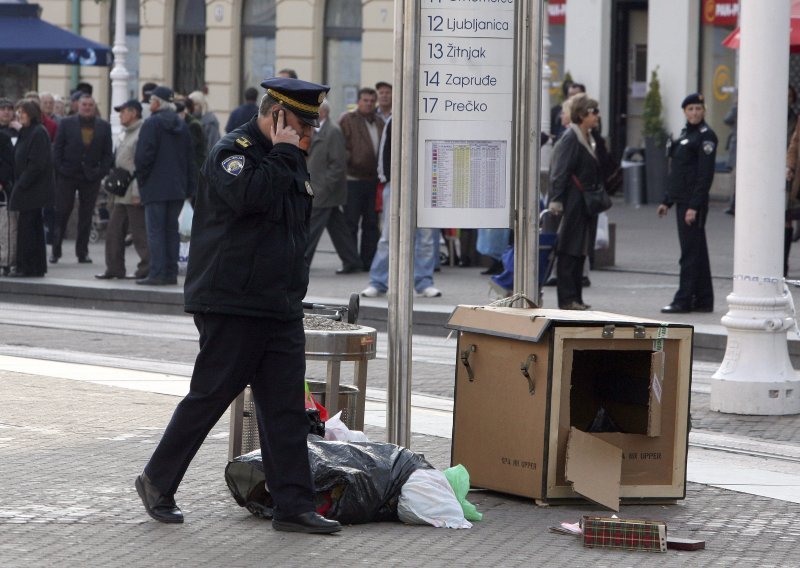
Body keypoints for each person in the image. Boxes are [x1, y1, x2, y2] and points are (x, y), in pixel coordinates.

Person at [136, 77, 341, 535]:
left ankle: (293, 505)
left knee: (285, 407)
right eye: (304, 127)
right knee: (210, 397)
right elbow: (249, 198)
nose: (311, 137)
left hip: (277, 303)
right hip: (232, 301)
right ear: (279, 117)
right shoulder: (234, 152)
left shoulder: (290, 157)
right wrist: (287, 153)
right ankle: (156, 481)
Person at [360, 116, 441, 298]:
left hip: (429, 182)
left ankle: (423, 282)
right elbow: (385, 149)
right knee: (388, 236)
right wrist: (387, 180)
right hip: (397, 183)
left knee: (427, 238)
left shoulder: (433, 117)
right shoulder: (395, 118)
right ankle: (378, 282)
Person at [657, 93, 717, 314]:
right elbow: (677, 173)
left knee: (690, 253)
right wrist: (667, 201)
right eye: (690, 109)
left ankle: (683, 300)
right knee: (697, 251)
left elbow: (704, 175)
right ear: (684, 111)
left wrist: (693, 206)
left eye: (698, 109)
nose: (694, 113)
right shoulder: (685, 135)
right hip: (682, 201)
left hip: (693, 204)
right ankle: (703, 299)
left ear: (704, 111)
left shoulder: (706, 136)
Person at [134, 86, 195, 286]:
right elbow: (189, 159)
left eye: (152, 101)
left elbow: (144, 157)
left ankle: (157, 273)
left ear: (158, 103)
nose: (149, 104)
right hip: (177, 188)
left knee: (156, 231)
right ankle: (170, 272)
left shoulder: (151, 124)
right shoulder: (181, 124)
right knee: (171, 230)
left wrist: (142, 181)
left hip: (155, 186)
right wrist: (188, 188)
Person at [548, 93, 601, 310]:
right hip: (572, 202)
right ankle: (567, 299)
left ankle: (577, 297)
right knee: (569, 249)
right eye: (593, 112)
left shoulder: (587, 136)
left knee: (580, 250)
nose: (597, 116)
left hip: (584, 203)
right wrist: (557, 200)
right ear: (582, 115)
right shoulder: (571, 137)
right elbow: (559, 171)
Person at [51, 94, 113, 264]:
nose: (87, 107)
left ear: (94, 107)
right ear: (78, 106)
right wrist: (61, 169)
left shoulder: (104, 126)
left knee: (86, 216)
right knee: (62, 213)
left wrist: (100, 172)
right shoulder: (66, 123)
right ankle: (56, 250)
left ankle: (82, 252)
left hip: (91, 177)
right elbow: (57, 149)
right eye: (84, 104)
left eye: (90, 105)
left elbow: (108, 154)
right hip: (68, 175)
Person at [305, 99, 361, 271]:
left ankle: (300, 264)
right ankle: (352, 262)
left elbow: (337, 165)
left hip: (324, 190)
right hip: (318, 187)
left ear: (323, 112)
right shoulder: (313, 129)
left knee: (311, 229)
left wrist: (323, 187)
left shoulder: (333, 131)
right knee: (338, 228)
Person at [95, 99, 149, 280]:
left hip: (132, 192)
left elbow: (140, 165)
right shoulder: (126, 133)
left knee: (139, 233)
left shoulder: (141, 133)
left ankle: (146, 268)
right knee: (114, 231)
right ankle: (114, 268)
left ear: (134, 113)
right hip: (121, 192)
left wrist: (136, 192)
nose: (120, 115)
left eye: (123, 111)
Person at [339, 87, 384, 271]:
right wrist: (349, 160)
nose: (368, 104)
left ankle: (368, 261)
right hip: (353, 179)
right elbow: (340, 147)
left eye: (372, 101)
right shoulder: (347, 120)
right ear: (358, 102)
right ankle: (351, 261)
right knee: (350, 223)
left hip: (373, 180)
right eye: (365, 100)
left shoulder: (380, 122)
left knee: (371, 224)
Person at [8, 100, 54, 277]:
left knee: (29, 229)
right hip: (27, 187)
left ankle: (27, 266)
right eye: (18, 111)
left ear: (32, 113)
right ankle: (32, 266)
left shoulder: (38, 132)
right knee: (29, 228)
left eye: (23, 112)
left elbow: (36, 164)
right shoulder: (26, 132)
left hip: (33, 189)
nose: (20, 115)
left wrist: (22, 183)